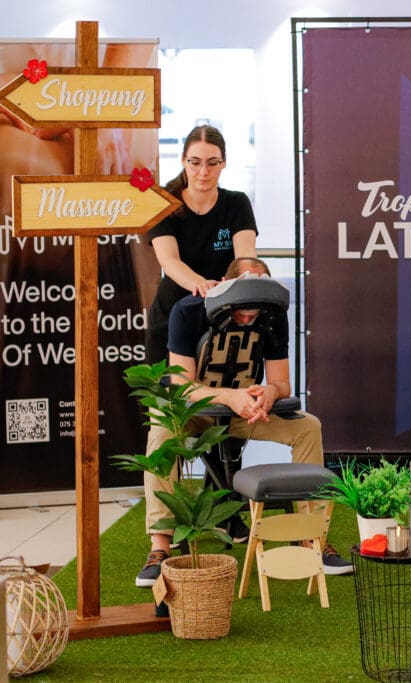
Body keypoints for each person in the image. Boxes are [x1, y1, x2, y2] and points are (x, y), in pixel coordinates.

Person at [135, 257, 350, 586]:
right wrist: (227, 397)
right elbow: (181, 385)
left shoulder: (272, 316)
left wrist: (269, 392)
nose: (250, 314)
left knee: (308, 427)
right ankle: (161, 545)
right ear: (226, 282)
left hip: (247, 411)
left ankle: (312, 538)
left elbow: (282, 382)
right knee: (161, 434)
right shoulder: (189, 310)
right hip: (194, 411)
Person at [145, 125, 258, 364]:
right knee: (167, 399)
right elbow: (169, 260)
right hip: (171, 315)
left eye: (212, 163)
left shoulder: (237, 203)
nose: (203, 172)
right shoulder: (163, 202)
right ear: (183, 160)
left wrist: (233, 284)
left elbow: (245, 258)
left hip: (224, 316)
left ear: (224, 162)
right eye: (195, 162)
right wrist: (203, 285)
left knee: (223, 397)